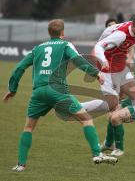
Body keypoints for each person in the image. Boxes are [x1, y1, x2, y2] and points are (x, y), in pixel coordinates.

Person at [2, 19, 118, 172]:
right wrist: (96, 73)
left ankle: (20, 165)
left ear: (49, 33)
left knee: (29, 127)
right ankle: (97, 154)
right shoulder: (65, 45)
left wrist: (12, 88)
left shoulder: (38, 48)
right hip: (57, 90)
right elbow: (77, 60)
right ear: (62, 33)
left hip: (38, 92)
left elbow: (20, 67)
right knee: (86, 118)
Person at [82, 15, 135, 149]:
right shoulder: (121, 35)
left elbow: (111, 29)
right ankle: (78, 106)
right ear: (133, 26)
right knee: (112, 104)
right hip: (107, 66)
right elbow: (99, 45)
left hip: (119, 64)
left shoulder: (131, 30)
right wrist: (102, 60)